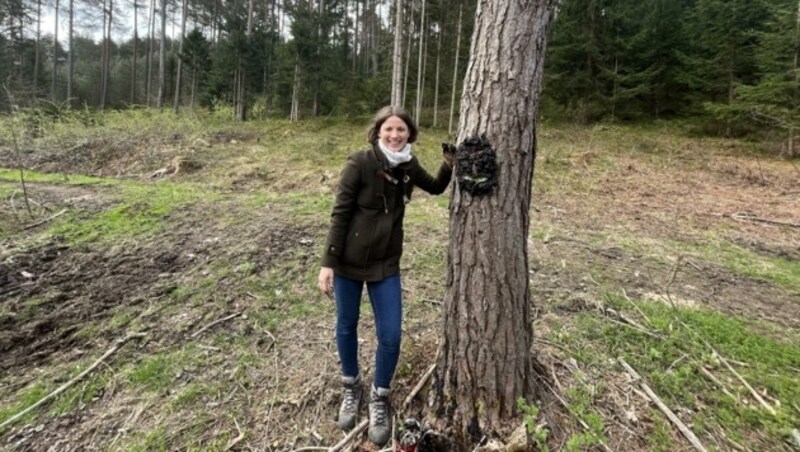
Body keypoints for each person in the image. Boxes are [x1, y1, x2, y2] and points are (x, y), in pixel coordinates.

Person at [317, 106, 454, 446]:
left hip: (385, 265)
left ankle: (380, 396)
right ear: (378, 131)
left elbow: (436, 187)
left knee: (390, 335)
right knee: (346, 324)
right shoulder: (360, 162)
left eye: (401, 131)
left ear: (410, 134)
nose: (395, 136)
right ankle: (351, 386)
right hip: (348, 263)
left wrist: (451, 164)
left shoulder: (408, 166)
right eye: (389, 130)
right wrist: (328, 263)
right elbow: (340, 213)